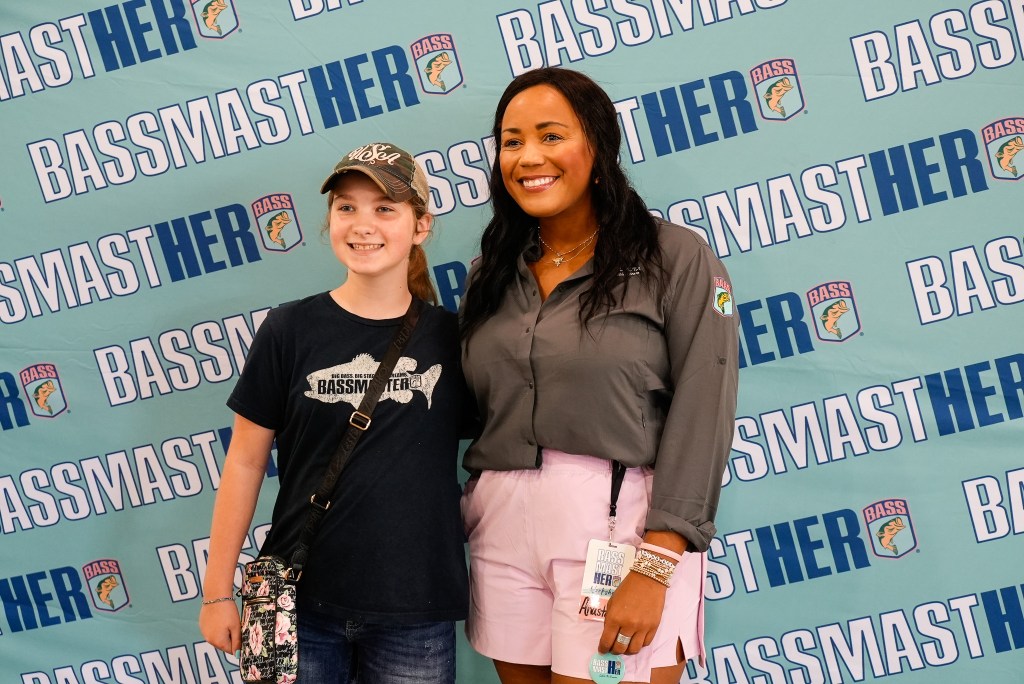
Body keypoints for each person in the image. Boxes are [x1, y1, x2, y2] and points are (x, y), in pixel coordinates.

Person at [459, 68, 739, 684]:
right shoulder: (491, 273)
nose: (528, 157)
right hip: (501, 527)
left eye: (551, 135)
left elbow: (704, 408)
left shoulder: (674, 257)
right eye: (511, 141)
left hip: (619, 528)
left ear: (597, 146)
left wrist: (657, 563)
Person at [199, 142, 469, 683]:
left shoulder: (454, 338)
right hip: (296, 603)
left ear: (420, 226)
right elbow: (245, 463)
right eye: (347, 207)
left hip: (415, 609)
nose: (363, 224)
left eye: (385, 208)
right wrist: (216, 592)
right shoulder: (288, 329)